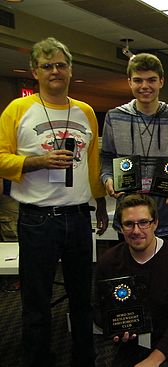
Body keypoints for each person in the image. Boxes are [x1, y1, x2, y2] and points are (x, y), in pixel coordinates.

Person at [0, 37, 108, 367]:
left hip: (78, 218)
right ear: (35, 71)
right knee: (37, 301)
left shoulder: (85, 111)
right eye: (47, 66)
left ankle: (84, 359)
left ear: (71, 70)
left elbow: (92, 163)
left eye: (61, 65)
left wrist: (100, 203)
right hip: (37, 219)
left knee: (81, 299)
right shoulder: (18, 110)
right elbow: (1, 158)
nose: (55, 71)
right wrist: (35, 162)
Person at [95, 193, 168, 366]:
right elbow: (99, 309)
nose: (136, 231)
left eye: (144, 222)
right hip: (130, 342)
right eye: (129, 224)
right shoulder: (109, 261)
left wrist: (155, 359)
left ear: (155, 223)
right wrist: (116, 326)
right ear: (120, 228)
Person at [101, 53, 168, 244]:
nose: (145, 86)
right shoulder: (114, 117)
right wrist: (108, 179)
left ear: (161, 82)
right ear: (129, 82)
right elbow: (107, 157)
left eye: (151, 80)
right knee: (131, 273)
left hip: (167, 218)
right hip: (129, 220)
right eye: (138, 80)